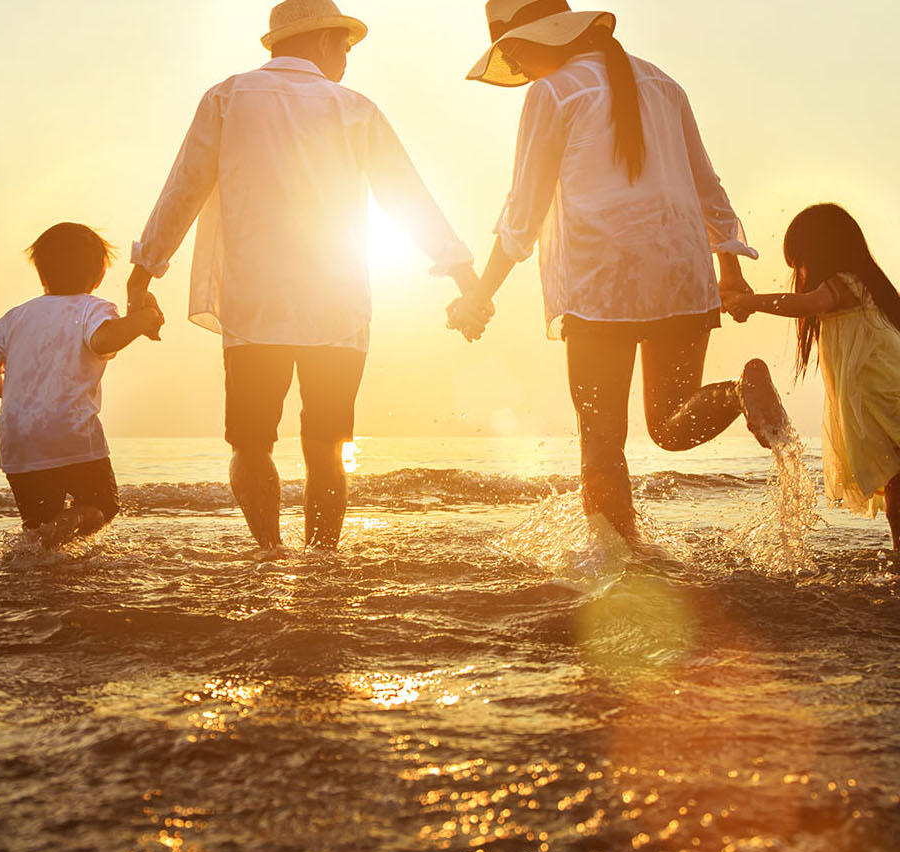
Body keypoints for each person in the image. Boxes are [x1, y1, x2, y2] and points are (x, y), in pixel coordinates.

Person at [127, 0, 483, 551]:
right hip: (336, 308)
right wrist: (464, 278)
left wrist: (144, 272)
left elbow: (184, 187)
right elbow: (407, 196)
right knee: (326, 444)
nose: (346, 56)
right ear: (322, 42)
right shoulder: (354, 108)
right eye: (344, 45)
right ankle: (321, 562)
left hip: (254, 307)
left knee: (250, 445)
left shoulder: (227, 97)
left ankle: (269, 553)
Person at [446, 1, 788, 545]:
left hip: (599, 283)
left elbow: (523, 212)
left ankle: (619, 565)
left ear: (541, 39)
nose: (515, 62)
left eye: (512, 49)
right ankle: (739, 394)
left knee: (601, 441)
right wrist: (728, 270)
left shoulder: (552, 92)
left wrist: (481, 295)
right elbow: (708, 187)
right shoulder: (664, 84)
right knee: (671, 423)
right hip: (680, 272)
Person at [0, 223, 164, 546]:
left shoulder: (15, 317)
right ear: (98, 276)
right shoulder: (92, 308)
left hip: (19, 436)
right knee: (103, 505)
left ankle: (44, 560)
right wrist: (144, 320)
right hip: (71, 432)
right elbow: (103, 340)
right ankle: (70, 521)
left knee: (38, 526)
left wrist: (14, 396)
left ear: (42, 274)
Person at [724, 204, 900, 548]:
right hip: (878, 392)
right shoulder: (863, 286)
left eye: (799, 263)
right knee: (895, 476)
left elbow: (804, 304)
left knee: (896, 476)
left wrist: (752, 302)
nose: (800, 273)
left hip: (882, 393)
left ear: (821, 252)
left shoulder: (843, 284)